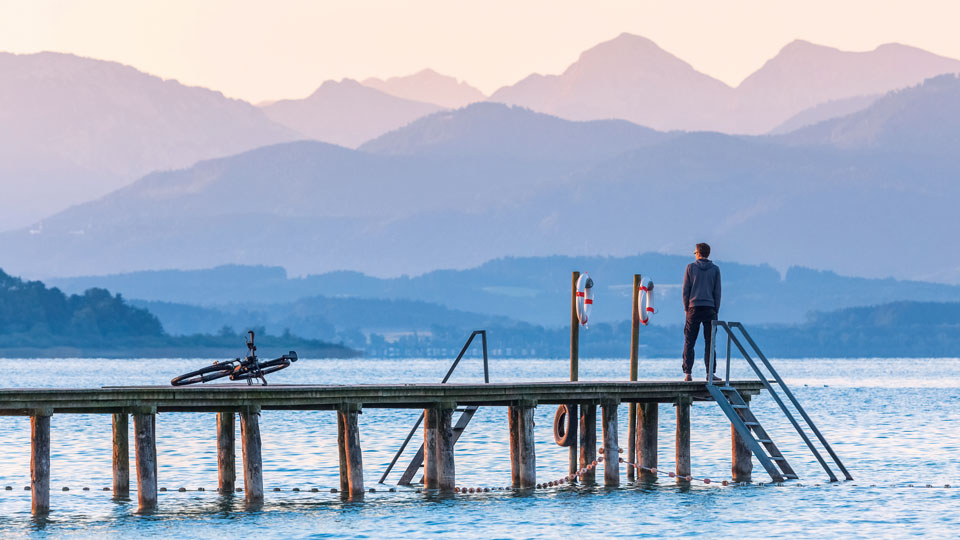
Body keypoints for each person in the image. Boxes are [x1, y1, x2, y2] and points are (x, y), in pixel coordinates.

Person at [681, 242, 721, 382]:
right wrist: (716, 310)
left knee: (689, 341)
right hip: (710, 308)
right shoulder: (715, 270)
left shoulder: (690, 268)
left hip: (693, 308)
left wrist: (686, 309)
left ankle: (688, 373)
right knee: (710, 342)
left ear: (698, 253)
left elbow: (686, 291)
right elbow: (717, 292)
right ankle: (710, 373)